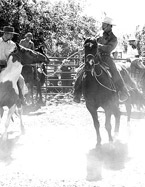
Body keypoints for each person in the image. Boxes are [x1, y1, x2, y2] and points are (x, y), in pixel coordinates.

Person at [73, 17, 129, 103]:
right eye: (102, 24)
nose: (102, 26)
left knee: (115, 71)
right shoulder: (99, 36)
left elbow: (109, 48)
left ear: (109, 26)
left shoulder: (114, 38)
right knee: (82, 70)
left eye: (104, 24)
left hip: (106, 58)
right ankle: (77, 93)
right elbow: (92, 43)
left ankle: (123, 91)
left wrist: (98, 45)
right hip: (96, 57)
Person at [0, 26, 28, 105]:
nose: (12, 36)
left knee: (21, 79)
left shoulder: (13, 44)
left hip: (8, 67)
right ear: (5, 34)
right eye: (11, 34)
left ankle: (21, 97)